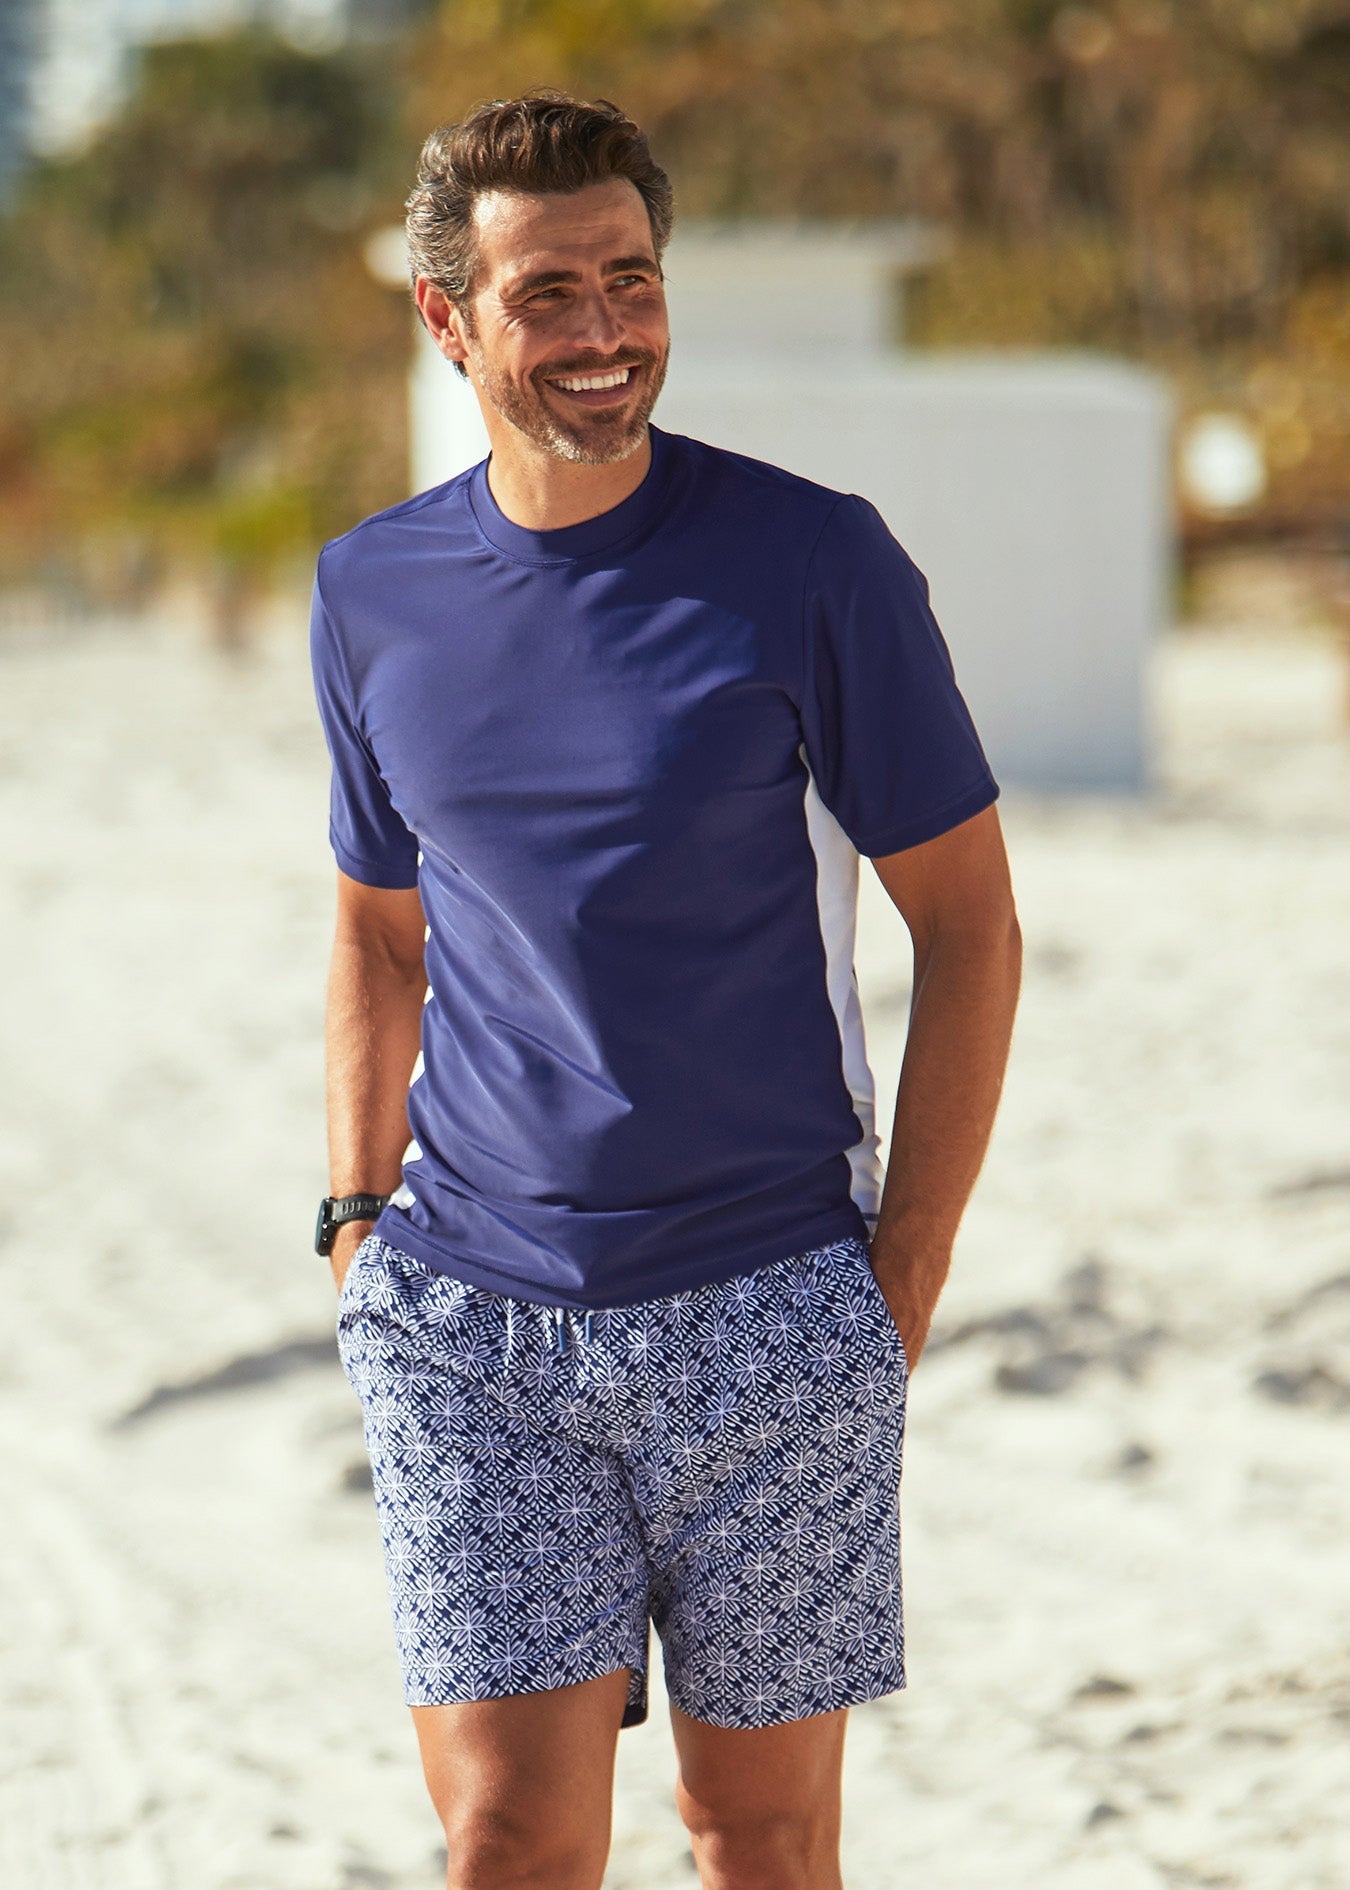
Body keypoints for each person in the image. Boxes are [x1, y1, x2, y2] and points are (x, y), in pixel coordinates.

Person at [310, 89, 1021, 1890]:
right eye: (548, 292)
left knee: (755, 1841)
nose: (607, 332)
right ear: (445, 317)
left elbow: (970, 924)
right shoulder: (372, 593)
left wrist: (903, 1269)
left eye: (630, 278)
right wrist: (349, 1213)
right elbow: (380, 929)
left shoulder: (811, 562)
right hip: (472, 1315)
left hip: (767, 1305)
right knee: (503, 1842)